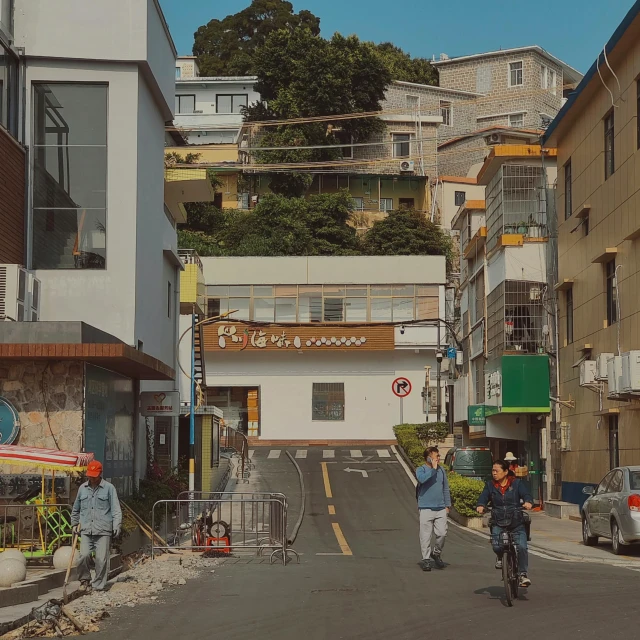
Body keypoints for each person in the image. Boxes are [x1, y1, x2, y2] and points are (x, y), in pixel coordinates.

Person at [476, 461, 533, 587]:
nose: (494, 473)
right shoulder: (490, 485)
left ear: (506, 472)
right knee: (497, 546)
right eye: (493, 471)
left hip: (516, 521)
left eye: (497, 471)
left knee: (522, 547)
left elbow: (526, 494)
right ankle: (501, 557)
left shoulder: (517, 483)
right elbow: (483, 497)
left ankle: (522, 574)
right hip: (498, 521)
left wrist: (528, 501)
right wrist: (481, 505)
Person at [71, 460, 122, 592]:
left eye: (94, 475)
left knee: (101, 559)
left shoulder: (109, 488)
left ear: (100, 474)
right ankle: (84, 580)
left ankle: (98, 585)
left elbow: (116, 509)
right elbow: (76, 509)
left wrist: (116, 525)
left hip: (103, 529)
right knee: (83, 556)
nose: (92, 478)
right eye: (90, 475)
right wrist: (74, 524)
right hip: (86, 529)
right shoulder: (82, 489)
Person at [416, 446, 451, 571]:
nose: (438, 458)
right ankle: (426, 559)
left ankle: (436, 552)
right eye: (436, 456)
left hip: (441, 507)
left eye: (438, 456)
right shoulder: (421, 470)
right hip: (425, 507)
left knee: (442, 533)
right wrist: (433, 470)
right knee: (425, 535)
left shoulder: (442, 471)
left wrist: (448, 505)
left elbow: (445, 487)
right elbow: (422, 480)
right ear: (429, 458)